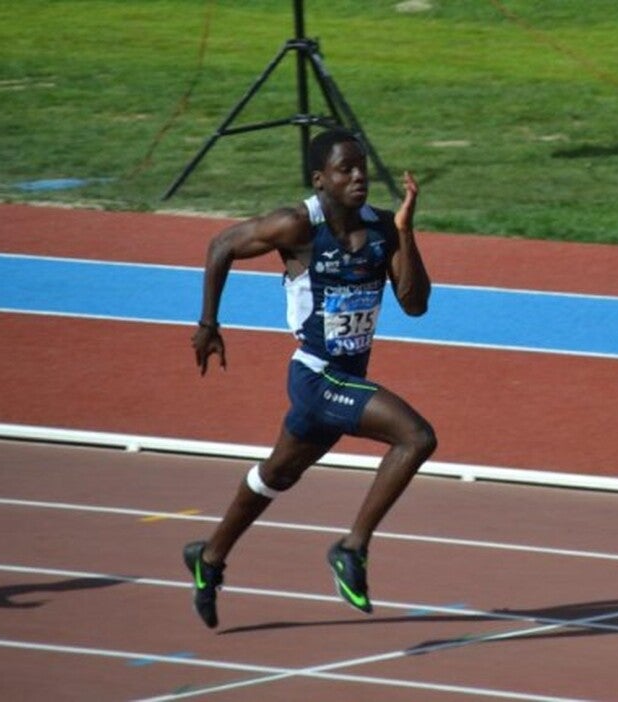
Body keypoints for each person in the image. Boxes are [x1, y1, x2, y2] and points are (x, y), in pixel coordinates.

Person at [182, 129, 437, 628]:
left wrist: (406, 231)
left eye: (362, 167)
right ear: (321, 179)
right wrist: (209, 323)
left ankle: (208, 559)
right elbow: (221, 245)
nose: (359, 176)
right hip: (316, 378)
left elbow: (415, 305)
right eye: (346, 169)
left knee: (276, 475)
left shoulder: (384, 228)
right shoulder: (296, 225)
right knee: (416, 437)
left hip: (348, 379)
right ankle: (351, 548)